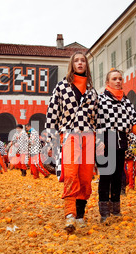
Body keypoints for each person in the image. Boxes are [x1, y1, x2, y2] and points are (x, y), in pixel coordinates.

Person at [45, 51, 98, 232]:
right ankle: (69, 215)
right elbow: (52, 114)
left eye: (83, 60)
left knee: (85, 177)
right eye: (76, 60)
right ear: (72, 65)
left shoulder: (92, 91)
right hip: (69, 135)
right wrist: (50, 142)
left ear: (86, 65)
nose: (80, 63)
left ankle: (80, 215)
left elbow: (97, 119)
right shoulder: (61, 87)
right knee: (70, 174)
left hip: (89, 137)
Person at [96, 69, 136, 223]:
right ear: (107, 82)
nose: (118, 81)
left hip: (121, 141)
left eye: (120, 79)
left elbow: (133, 122)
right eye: (114, 79)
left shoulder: (126, 102)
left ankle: (115, 208)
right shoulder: (100, 100)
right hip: (105, 140)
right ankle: (104, 211)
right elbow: (93, 122)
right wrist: (98, 141)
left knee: (118, 176)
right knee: (106, 177)